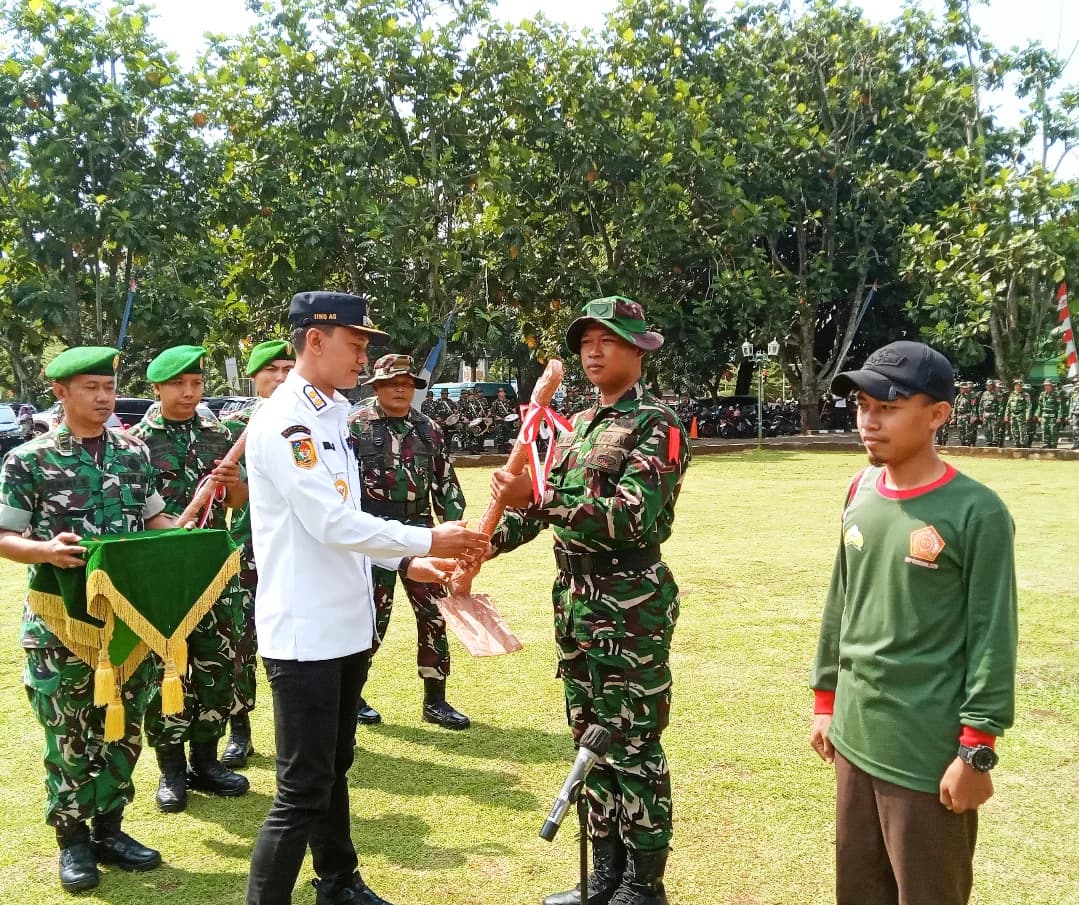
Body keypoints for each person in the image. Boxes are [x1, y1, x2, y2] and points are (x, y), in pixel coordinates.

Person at [244, 291, 489, 905]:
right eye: (356, 344)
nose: (364, 356)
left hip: (345, 625)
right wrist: (429, 534)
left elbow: (350, 523)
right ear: (316, 340)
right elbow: (331, 523)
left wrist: (411, 558)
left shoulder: (330, 415)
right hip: (305, 634)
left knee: (334, 769)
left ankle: (338, 882)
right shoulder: (286, 421)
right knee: (300, 789)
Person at [486, 297, 689, 905]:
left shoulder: (658, 422)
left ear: (639, 350)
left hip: (631, 602)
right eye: (585, 343)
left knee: (630, 740)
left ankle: (643, 884)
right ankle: (603, 872)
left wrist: (537, 498)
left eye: (608, 340)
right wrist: (481, 544)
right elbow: (541, 507)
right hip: (576, 600)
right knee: (589, 738)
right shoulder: (578, 425)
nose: (594, 352)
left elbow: (634, 515)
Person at [810, 340, 1018, 905]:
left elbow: (993, 636)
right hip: (855, 736)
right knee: (857, 890)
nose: (869, 421)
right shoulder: (860, 491)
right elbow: (842, 601)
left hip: (925, 753)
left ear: (937, 415)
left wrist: (976, 750)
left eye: (888, 406)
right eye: (861, 405)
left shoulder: (977, 512)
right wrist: (826, 701)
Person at [0, 347, 173, 892]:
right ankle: (72, 841)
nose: (103, 398)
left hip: (128, 619)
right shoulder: (27, 459)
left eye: (108, 386)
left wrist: (195, 539)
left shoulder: (134, 450)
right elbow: (5, 536)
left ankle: (111, 830)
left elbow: (156, 519)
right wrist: (45, 551)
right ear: (61, 392)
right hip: (61, 622)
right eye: (90, 388)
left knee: (121, 730)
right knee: (69, 734)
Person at [129, 345, 250, 812]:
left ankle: (206, 760)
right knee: (168, 668)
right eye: (178, 385)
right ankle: (171, 770)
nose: (188, 392)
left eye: (196, 384)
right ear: (157, 389)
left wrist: (234, 478)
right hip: (164, 569)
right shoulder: (137, 442)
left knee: (217, 665)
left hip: (212, 566)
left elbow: (237, 504)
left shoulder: (219, 434)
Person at [348, 354, 470, 730]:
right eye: (391, 382)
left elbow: (446, 483)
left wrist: (454, 530)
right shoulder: (353, 426)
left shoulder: (428, 429)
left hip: (421, 532)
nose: (400, 388)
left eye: (406, 383)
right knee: (369, 619)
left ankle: (436, 700)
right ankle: (352, 697)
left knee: (434, 614)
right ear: (377, 386)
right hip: (373, 532)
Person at [219, 339, 297, 769]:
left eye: (289, 368)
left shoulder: (311, 419)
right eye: (272, 370)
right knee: (242, 638)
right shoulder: (232, 427)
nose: (282, 378)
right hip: (251, 545)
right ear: (254, 376)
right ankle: (240, 728)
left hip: (299, 547)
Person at [1034, 377, 1063, 449]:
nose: (1046, 387)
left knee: (1053, 431)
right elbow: (1039, 406)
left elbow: (1060, 406)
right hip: (1044, 416)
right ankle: (1046, 444)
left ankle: (1053, 445)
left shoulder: (1056, 394)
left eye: (1048, 385)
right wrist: (1038, 416)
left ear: (1051, 386)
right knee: (1045, 431)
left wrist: (1059, 417)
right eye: (1045, 385)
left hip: (1053, 416)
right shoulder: (1042, 394)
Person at [488, 386, 516, 452]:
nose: (502, 393)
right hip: (499, 421)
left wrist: (513, 412)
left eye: (503, 392)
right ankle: (500, 447)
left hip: (508, 421)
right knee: (500, 433)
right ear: (498, 394)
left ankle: (506, 446)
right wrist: (497, 417)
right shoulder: (495, 403)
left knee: (508, 433)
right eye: (500, 392)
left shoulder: (508, 402)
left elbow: (513, 410)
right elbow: (492, 413)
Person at [1005, 379, 1032, 448]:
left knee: (1022, 431)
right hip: (1013, 415)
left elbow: (1028, 406)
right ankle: (1017, 445)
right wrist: (1006, 415)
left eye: (1018, 385)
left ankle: (1024, 445)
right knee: (1014, 430)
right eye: (1015, 385)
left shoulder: (1025, 395)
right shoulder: (1012, 394)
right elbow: (1008, 405)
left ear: (1021, 386)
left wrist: (1027, 415)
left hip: (1021, 415)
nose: (1016, 387)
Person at [952, 381, 977, 446]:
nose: (961, 389)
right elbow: (955, 407)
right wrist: (954, 417)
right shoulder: (958, 397)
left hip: (967, 417)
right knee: (961, 434)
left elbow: (974, 407)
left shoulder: (971, 396)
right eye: (961, 388)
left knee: (968, 434)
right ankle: (963, 446)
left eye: (963, 388)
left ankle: (969, 446)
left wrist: (973, 417)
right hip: (960, 417)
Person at [977, 381, 998, 447]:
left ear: (992, 386)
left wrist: (998, 415)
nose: (988, 387)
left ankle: (995, 444)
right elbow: (981, 404)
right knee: (986, 430)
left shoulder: (996, 394)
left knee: (994, 430)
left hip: (993, 414)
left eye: (989, 385)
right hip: (985, 414)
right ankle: (988, 443)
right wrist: (980, 415)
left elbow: (1000, 406)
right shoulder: (984, 394)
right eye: (987, 385)